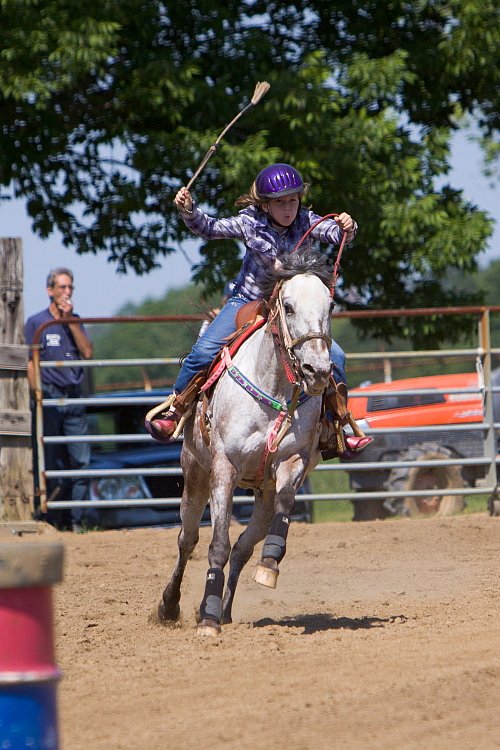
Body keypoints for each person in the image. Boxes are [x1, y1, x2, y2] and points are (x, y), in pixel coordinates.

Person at [147, 163, 372, 456]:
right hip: (250, 301)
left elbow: (334, 233)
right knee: (204, 350)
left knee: (336, 357)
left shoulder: (306, 220)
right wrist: (189, 211)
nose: (289, 208)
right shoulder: (249, 222)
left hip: (291, 307)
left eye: (293, 200)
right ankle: (176, 408)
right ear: (265, 204)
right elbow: (210, 227)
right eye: (280, 202)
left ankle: (336, 425)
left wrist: (347, 227)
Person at [25, 268, 93, 532]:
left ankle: (78, 521)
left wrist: (70, 321)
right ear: (49, 291)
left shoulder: (74, 321)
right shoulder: (37, 322)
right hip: (50, 395)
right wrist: (37, 393)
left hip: (73, 395)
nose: (67, 293)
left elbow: (87, 351)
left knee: (81, 460)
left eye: (70, 288)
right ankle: (52, 520)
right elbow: (31, 362)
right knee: (52, 460)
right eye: (62, 288)